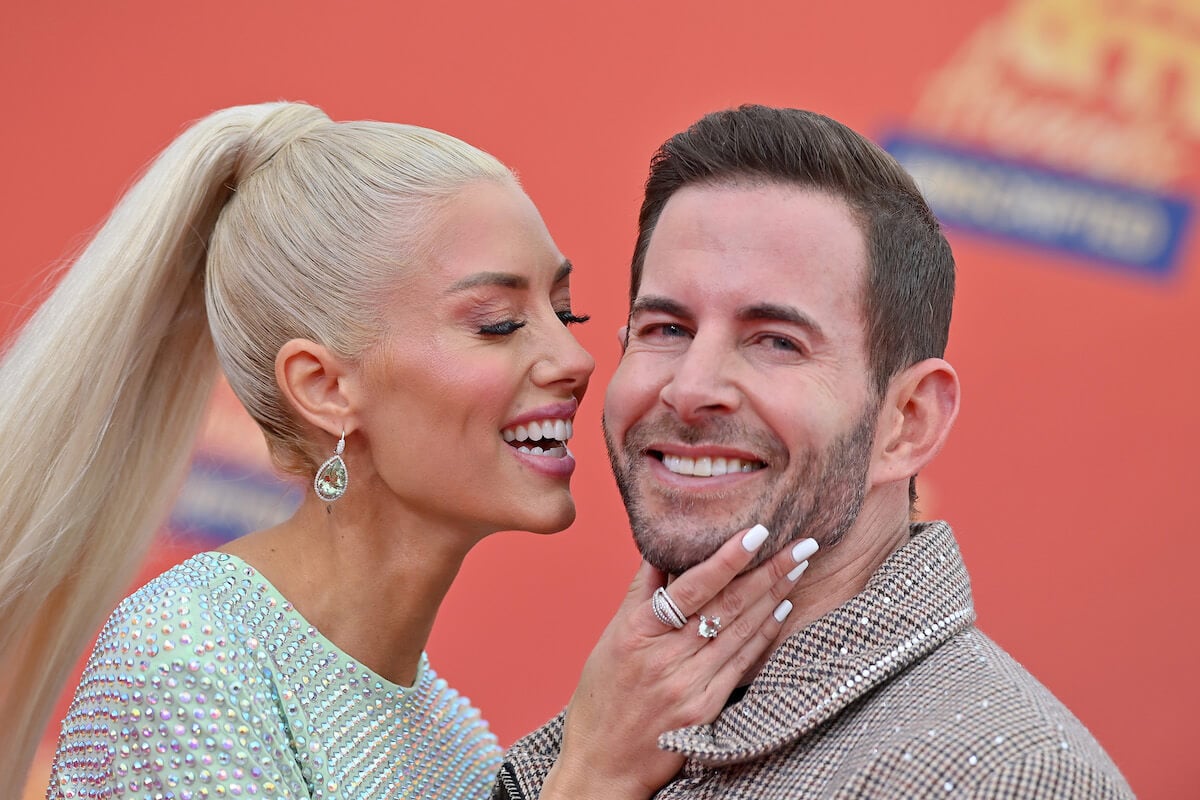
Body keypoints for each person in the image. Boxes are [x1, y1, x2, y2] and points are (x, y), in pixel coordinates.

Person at [0, 102, 814, 797]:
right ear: (324, 387)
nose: (574, 360)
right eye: (498, 322)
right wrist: (591, 776)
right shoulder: (186, 661)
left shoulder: (451, 734)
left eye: (564, 314)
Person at [496, 105, 1136, 799]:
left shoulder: (1004, 779)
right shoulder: (615, 721)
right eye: (667, 327)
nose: (689, 388)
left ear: (907, 422)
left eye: (777, 341)